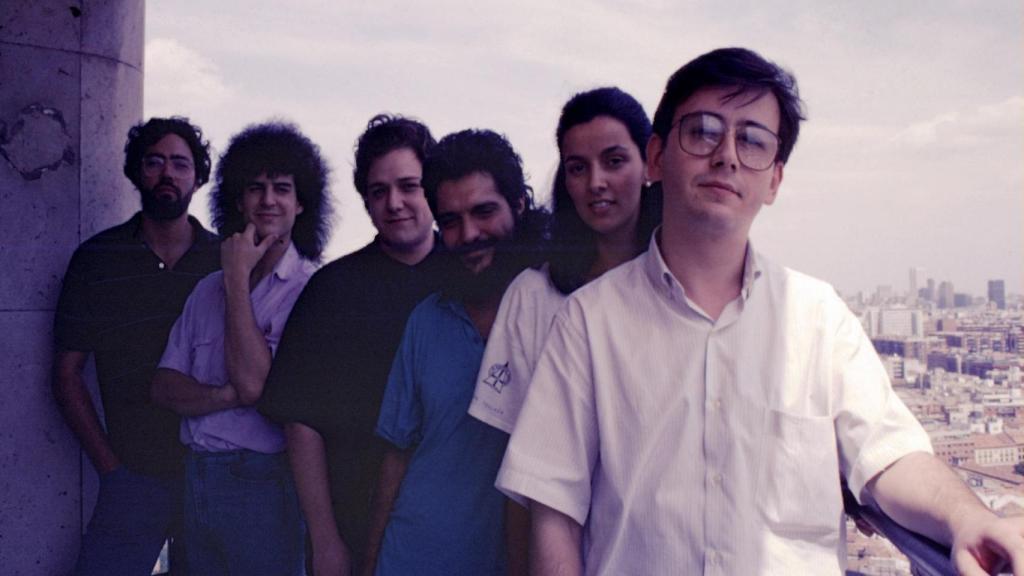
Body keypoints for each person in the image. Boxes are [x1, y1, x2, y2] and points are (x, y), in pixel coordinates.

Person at [497, 47, 1024, 575]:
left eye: (752, 140)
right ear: (657, 157)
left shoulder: (818, 317)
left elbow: (888, 456)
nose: (726, 155)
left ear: (773, 180)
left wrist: (967, 519)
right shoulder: (589, 322)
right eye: (703, 131)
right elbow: (554, 516)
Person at [258, 114, 444, 576]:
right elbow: (301, 423)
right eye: (379, 191)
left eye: (409, 186)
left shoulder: (472, 277)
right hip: (356, 525)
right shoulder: (332, 289)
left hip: (460, 526)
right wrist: (325, 542)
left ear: (433, 188)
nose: (395, 203)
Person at [151, 121, 332, 575]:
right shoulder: (205, 290)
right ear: (238, 199)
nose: (268, 200)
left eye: (282, 189)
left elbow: (254, 385)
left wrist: (235, 277)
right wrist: (222, 396)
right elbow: (163, 386)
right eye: (256, 188)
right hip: (193, 476)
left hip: (260, 482)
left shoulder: (310, 291)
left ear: (301, 202)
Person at [370, 129, 548, 576]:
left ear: (520, 205)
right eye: (450, 221)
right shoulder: (428, 319)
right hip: (411, 557)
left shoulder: (561, 310)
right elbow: (397, 454)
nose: (468, 234)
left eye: (484, 212)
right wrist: (370, 562)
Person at [53, 116, 219, 575]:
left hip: (211, 472)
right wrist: (111, 468)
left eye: (181, 164)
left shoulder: (223, 262)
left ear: (198, 176)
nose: (168, 173)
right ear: (136, 171)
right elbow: (66, 375)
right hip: (132, 476)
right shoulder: (98, 259)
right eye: (155, 161)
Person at [470, 86, 661, 436]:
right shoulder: (534, 294)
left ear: (650, 163)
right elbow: (512, 440)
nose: (596, 182)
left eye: (614, 161)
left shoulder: (679, 289)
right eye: (577, 168)